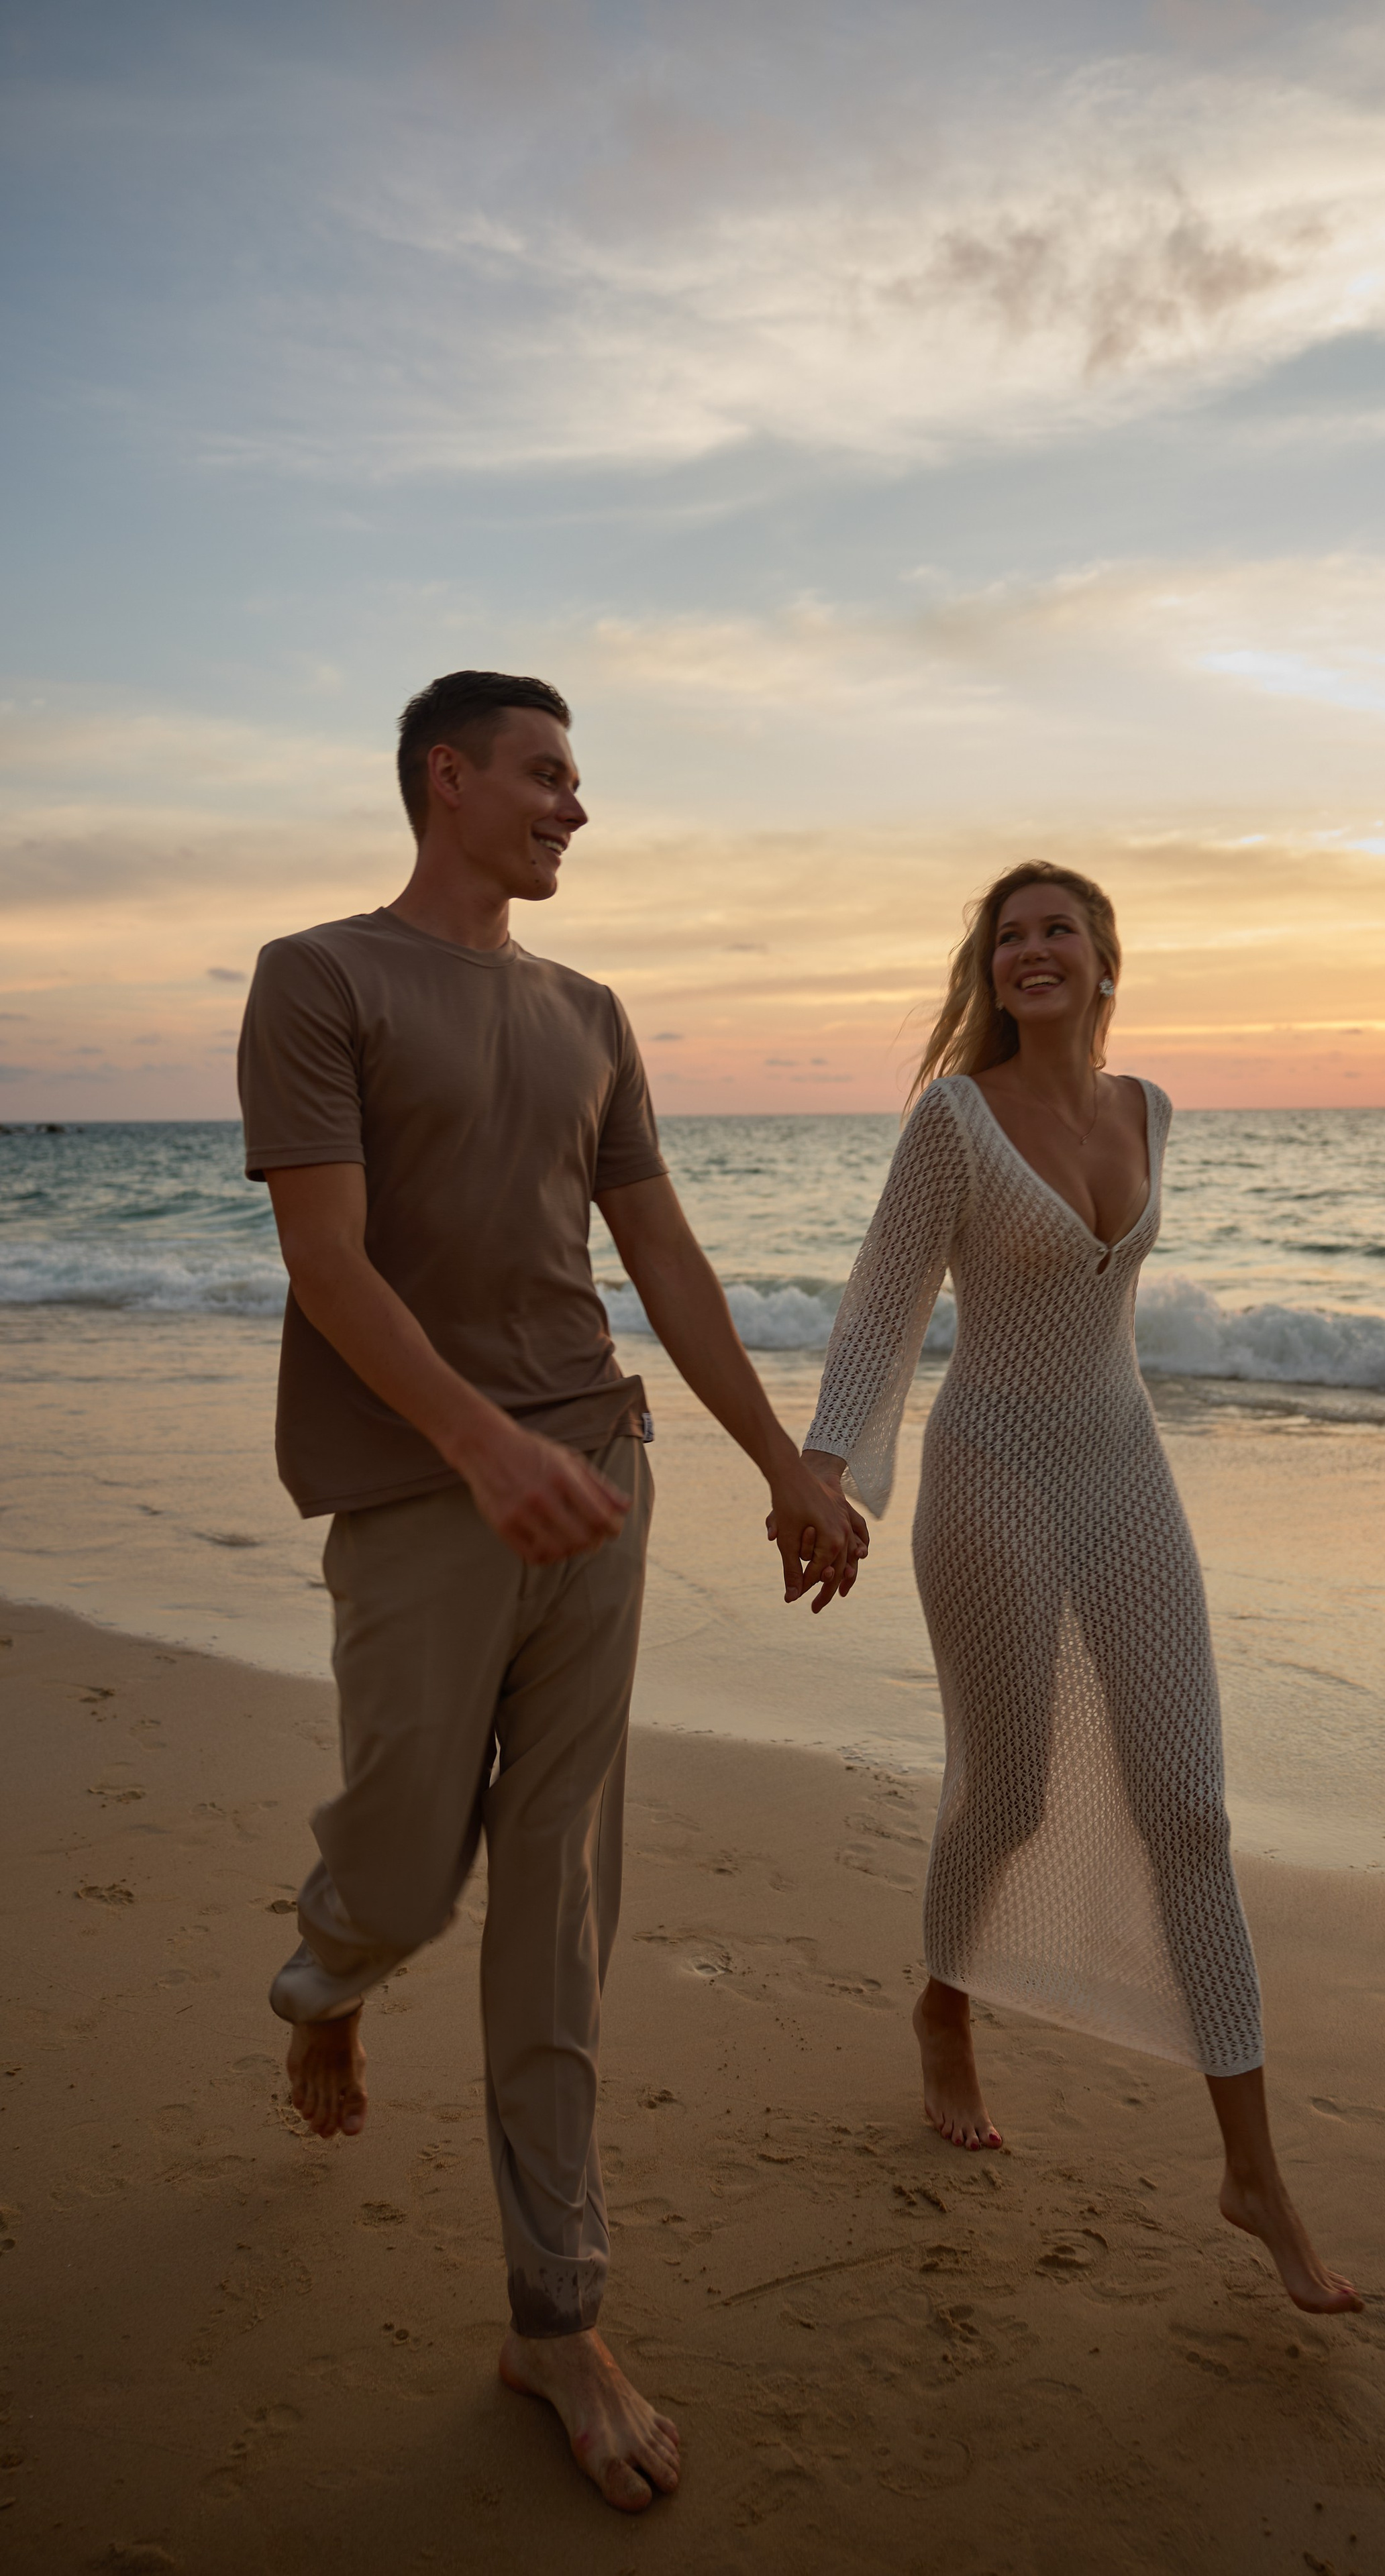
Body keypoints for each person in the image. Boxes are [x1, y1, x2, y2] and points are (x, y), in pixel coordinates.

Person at [237, 669, 865, 2515]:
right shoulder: (318, 976)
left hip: (603, 1473)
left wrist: (784, 1460)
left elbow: (657, 1244)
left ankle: (554, 2314)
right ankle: (333, 1962)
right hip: (425, 1491)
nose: (575, 808)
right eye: (547, 775)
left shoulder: (590, 1009)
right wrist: (479, 1449)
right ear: (449, 777)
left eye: (577, 782)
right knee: (414, 1864)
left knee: (559, 1904)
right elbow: (328, 1261)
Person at [799, 861, 1360, 2316]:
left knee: (1192, 1807)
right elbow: (879, 1306)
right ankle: (944, 1999)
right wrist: (830, 1479)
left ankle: (1252, 2173)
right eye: (1008, 937)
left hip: (1126, 1476)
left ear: (1107, 962)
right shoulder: (951, 1121)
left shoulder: (1148, 1110)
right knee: (1011, 1799)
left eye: (1058, 931)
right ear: (986, 973)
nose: (1032, 952)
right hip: (988, 1481)